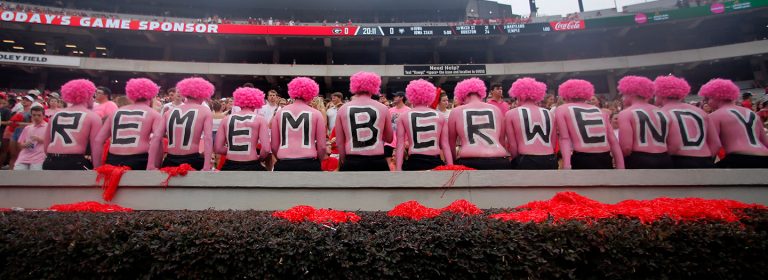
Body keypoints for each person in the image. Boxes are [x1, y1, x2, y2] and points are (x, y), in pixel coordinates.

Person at [94, 78, 165, 170]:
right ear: (152, 95)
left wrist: (97, 167)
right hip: (140, 159)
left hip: (113, 159)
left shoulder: (116, 112)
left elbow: (98, 140)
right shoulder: (153, 114)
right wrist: (155, 165)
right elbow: (158, 141)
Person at [555, 79, 624, 169]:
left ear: (566, 95)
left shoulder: (562, 109)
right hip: (605, 157)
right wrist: (621, 166)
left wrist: (567, 166)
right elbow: (613, 140)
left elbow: (564, 139)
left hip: (582, 157)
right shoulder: (600, 111)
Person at [701, 79, 768, 168]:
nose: (707, 102)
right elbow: (765, 141)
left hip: (738, 158)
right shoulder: (751, 113)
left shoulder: (715, 115)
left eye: (707, 99)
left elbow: (715, 145)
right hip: (764, 156)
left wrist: (707, 164)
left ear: (716, 97)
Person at [334, 71, 393, 171]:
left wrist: (344, 160)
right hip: (377, 160)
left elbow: (339, 142)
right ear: (374, 87)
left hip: (352, 159)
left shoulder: (343, 108)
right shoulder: (383, 108)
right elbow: (389, 138)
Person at [448, 78, 510, 170]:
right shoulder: (496, 109)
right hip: (498, 159)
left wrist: (453, 162)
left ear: (463, 95)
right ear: (481, 93)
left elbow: (451, 144)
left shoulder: (456, 111)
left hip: (469, 159)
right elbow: (502, 140)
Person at [654, 75, 716, 168]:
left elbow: (674, 146)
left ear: (660, 94)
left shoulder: (661, 113)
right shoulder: (701, 112)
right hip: (705, 159)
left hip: (678, 160)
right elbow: (716, 143)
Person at [43, 79, 102, 170]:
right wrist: (97, 167)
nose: (93, 99)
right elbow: (96, 146)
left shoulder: (56, 115)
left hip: (50, 160)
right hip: (75, 161)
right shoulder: (93, 117)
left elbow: (46, 143)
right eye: (92, 96)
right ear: (87, 96)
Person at [616, 76, 673, 169]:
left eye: (623, 94)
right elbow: (672, 143)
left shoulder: (626, 113)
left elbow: (626, 147)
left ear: (631, 93)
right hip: (664, 158)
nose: (622, 98)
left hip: (639, 159)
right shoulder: (664, 112)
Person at [271, 77, 327, 171]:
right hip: (309, 161)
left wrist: (280, 158)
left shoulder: (279, 113)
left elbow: (274, 145)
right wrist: (319, 161)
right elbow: (322, 146)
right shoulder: (316, 113)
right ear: (311, 93)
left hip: (284, 161)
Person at [395, 79, 452, 171]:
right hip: (435, 160)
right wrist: (451, 167)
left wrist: (398, 169)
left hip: (414, 161)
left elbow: (400, 145)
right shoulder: (440, 116)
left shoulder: (403, 116)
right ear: (430, 96)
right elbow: (445, 145)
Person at [504, 78, 557, 170]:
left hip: (525, 158)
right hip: (549, 158)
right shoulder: (549, 113)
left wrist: (516, 160)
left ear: (519, 96)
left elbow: (512, 145)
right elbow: (553, 141)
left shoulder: (511, 113)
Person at [162, 77, 214, 171]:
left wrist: (154, 164)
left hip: (170, 159)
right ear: (203, 94)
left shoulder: (168, 112)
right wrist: (206, 166)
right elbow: (208, 138)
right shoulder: (205, 111)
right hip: (192, 159)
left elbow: (157, 137)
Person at [215, 87, 270, 171]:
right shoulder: (260, 119)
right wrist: (260, 158)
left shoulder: (226, 119)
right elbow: (266, 149)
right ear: (257, 102)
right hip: (252, 163)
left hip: (230, 164)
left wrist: (234, 150)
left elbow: (218, 148)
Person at [13, 106, 46, 170]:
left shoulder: (47, 127)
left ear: (44, 116)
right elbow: (20, 143)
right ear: (31, 116)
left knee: (35, 176)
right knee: (17, 173)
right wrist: (24, 144)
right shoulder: (28, 128)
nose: (36, 117)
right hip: (24, 156)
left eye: (39, 115)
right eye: (34, 115)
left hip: (39, 158)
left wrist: (40, 140)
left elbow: (51, 142)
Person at [385, 91, 410, 169]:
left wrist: (408, 140)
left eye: (396, 96)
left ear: (401, 97)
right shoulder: (390, 110)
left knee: (402, 165)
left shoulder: (408, 110)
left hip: (403, 142)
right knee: (389, 166)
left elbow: (410, 128)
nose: (394, 98)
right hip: (389, 142)